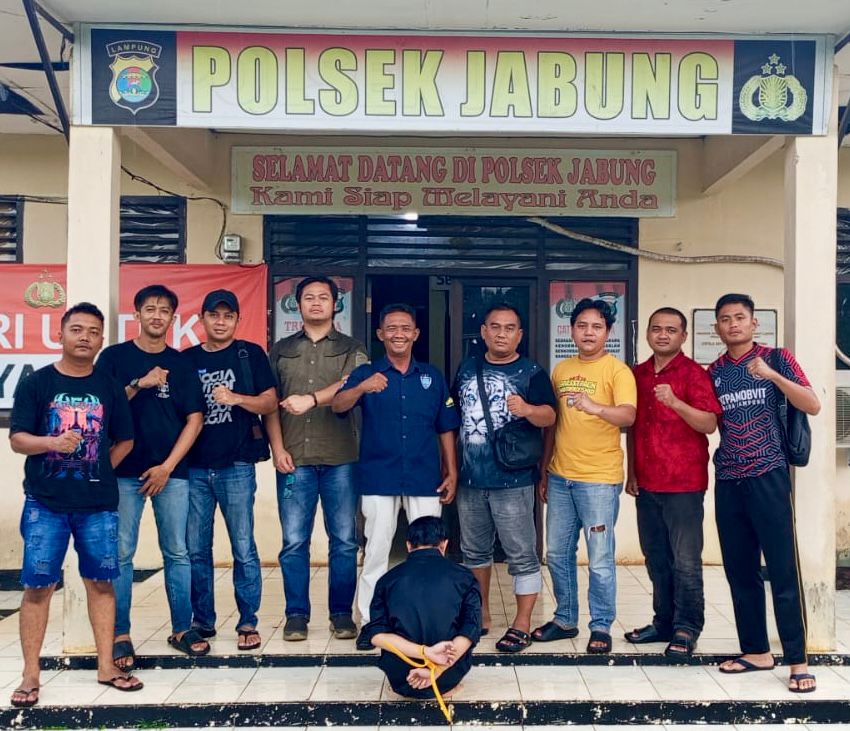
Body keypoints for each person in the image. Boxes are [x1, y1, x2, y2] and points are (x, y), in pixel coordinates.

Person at [9, 302, 142, 708]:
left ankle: (106, 666)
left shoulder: (109, 387)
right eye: (77, 329)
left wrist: (98, 469)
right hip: (45, 503)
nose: (85, 337)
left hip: (98, 506)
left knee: (101, 584)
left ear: (102, 340)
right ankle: (31, 674)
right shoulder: (37, 383)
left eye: (93, 332)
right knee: (38, 587)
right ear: (61, 334)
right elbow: (17, 440)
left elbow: (126, 440)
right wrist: (52, 442)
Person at [331, 303, 460, 650]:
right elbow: (338, 405)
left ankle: (430, 621)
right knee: (376, 552)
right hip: (379, 476)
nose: (398, 334)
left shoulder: (431, 377)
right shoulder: (367, 373)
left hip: (424, 477)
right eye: (391, 328)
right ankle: (371, 623)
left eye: (405, 328)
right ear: (380, 334)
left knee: (430, 552)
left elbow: (446, 427)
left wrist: (452, 471)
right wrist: (362, 387)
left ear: (415, 334)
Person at [709, 293, 820, 693]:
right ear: (717, 328)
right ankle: (756, 651)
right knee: (740, 569)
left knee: (782, 568)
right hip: (729, 477)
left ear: (754, 323)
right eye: (725, 319)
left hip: (769, 474)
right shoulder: (715, 371)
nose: (733, 324)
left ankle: (797, 660)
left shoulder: (777, 358)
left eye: (740, 317)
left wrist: (772, 376)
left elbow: (812, 404)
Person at [97, 285, 207, 668]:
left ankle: (182, 629)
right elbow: (102, 408)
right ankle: (120, 634)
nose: (157, 315)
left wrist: (168, 467)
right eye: (150, 309)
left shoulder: (182, 364)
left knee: (178, 552)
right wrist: (137, 384)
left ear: (173, 318)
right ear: (137, 314)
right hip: (123, 472)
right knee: (122, 554)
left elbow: (195, 420)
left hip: (171, 473)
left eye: (164, 310)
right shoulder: (114, 358)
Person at [265, 276, 369, 641]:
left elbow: (353, 383)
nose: (316, 303)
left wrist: (311, 399)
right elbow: (270, 404)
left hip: (342, 457)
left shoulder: (352, 347)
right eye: (308, 297)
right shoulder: (280, 350)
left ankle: (341, 614)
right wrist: (277, 449)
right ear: (297, 305)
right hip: (294, 458)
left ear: (335, 304)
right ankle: (296, 615)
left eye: (323, 297)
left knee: (344, 541)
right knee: (295, 541)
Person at [452, 303, 556, 653]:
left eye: (509, 328)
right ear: (483, 332)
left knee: (521, 553)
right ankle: (480, 613)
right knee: (474, 551)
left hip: (514, 480)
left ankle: (522, 621)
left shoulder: (532, 373)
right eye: (495, 327)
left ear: (519, 335)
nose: (501, 334)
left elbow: (550, 417)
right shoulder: (467, 368)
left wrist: (527, 409)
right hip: (471, 480)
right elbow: (454, 417)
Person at [535, 298, 636, 654]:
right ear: (571, 330)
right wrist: (545, 470)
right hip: (560, 477)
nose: (588, 332)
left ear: (608, 332)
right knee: (557, 553)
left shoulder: (618, 371)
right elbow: (553, 425)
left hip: (599, 480)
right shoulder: (561, 370)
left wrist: (595, 407)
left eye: (596, 326)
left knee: (600, 557)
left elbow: (628, 416)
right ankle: (565, 619)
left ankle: (601, 625)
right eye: (582, 325)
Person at [624, 307, 722, 657]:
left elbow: (709, 423)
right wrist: (632, 472)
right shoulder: (637, 374)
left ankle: (687, 628)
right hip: (647, 482)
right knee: (656, 557)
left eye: (671, 329)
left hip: (684, 483)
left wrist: (676, 402)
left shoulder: (694, 374)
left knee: (685, 560)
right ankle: (663, 622)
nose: (662, 335)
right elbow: (632, 427)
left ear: (683, 336)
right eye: (656, 329)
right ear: (647, 334)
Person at [183, 289, 278, 651]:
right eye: (214, 315)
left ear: (238, 319)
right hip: (194, 467)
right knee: (196, 549)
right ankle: (202, 620)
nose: (220, 322)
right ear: (201, 319)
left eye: (228, 316)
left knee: (243, 546)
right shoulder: (186, 359)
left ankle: (248, 620)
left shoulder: (249, 354)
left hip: (237, 465)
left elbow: (270, 402)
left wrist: (236, 398)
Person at [362, 516, 481, 699]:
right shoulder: (465, 577)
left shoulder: (387, 580)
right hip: (447, 676)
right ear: (444, 545)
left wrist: (425, 652)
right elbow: (471, 629)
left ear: (409, 546)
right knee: (467, 628)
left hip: (402, 676)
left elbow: (377, 636)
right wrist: (437, 669)